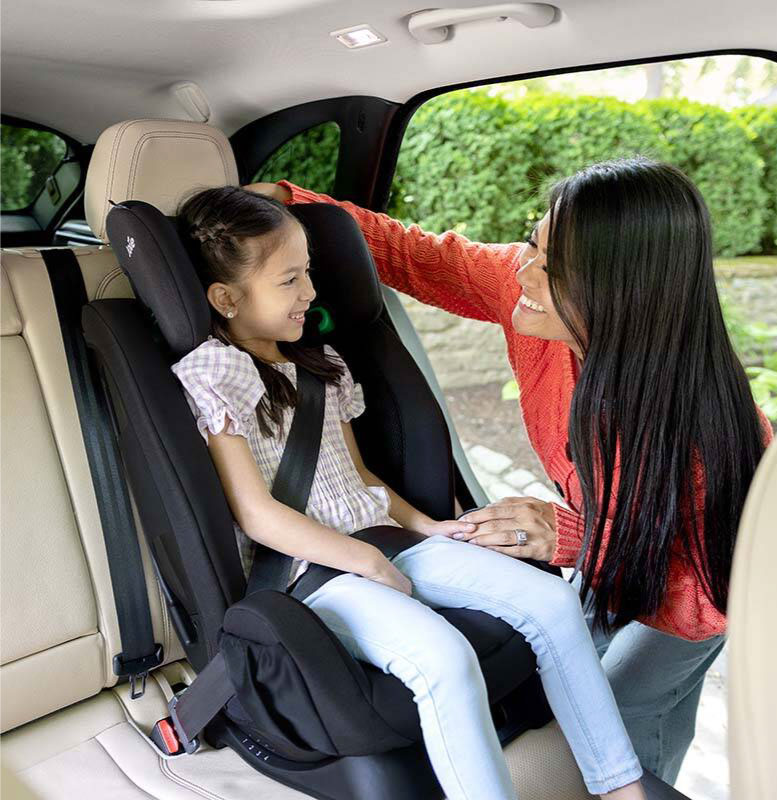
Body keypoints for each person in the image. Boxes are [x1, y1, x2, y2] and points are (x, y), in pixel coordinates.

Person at [249, 156, 773, 785]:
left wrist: (577, 538)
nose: (522, 271)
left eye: (553, 269)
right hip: (617, 554)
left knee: (630, 707)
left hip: (698, 588)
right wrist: (290, 201)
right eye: (533, 242)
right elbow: (416, 255)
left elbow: (714, 599)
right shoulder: (532, 301)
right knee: (579, 683)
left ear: (621, 292)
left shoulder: (710, 430)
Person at [171, 185, 647, 800]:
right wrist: (365, 560)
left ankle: (619, 787)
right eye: (289, 280)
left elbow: (363, 478)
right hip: (310, 573)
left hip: (383, 543)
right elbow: (257, 513)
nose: (310, 292)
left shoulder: (320, 365)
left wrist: (430, 527)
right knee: (444, 660)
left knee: (554, 603)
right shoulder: (215, 372)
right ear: (227, 298)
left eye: (308, 272)